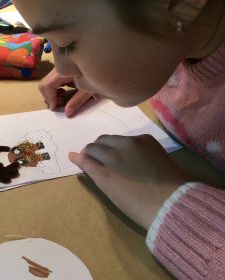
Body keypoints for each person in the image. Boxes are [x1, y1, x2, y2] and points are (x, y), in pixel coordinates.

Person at [13, 0, 225, 279]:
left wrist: (168, 204)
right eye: (51, 45)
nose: (62, 70)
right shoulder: (171, 45)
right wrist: (112, 74)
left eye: (67, 43)